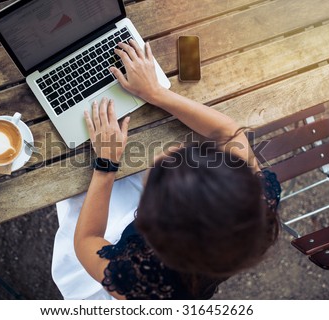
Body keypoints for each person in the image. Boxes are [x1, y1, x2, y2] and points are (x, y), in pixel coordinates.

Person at [51, 40, 281, 299]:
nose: (166, 153)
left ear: (150, 222)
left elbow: (86, 241)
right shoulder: (256, 203)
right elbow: (229, 133)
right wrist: (156, 93)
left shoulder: (139, 280)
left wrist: (106, 164)